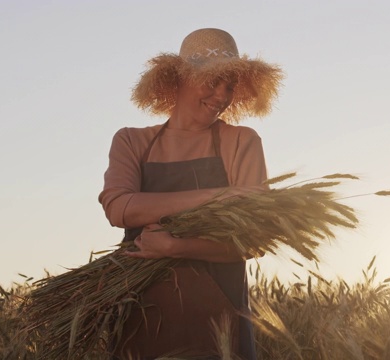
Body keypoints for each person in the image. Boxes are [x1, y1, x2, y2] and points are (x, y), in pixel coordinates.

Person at [98, 28, 283, 359]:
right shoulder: (131, 141)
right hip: (141, 311)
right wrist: (223, 196)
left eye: (230, 85)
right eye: (213, 81)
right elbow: (119, 208)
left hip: (218, 319)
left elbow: (255, 239)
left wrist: (175, 246)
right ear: (180, 79)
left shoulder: (241, 140)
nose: (222, 95)